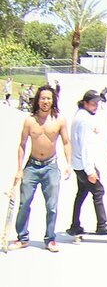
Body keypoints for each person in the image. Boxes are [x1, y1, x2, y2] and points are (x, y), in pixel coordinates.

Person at [10, 84, 72, 251]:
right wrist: (19, 168)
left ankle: (50, 239)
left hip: (51, 166)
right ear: (38, 100)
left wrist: (68, 164)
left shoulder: (60, 119)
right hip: (32, 165)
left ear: (53, 101)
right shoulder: (30, 121)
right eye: (42, 98)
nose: (45, 101)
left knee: (52, 205)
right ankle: (22, 237)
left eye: (48, 98)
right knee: (24, 203)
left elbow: (66, 142)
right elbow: (22, 145)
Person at [67, 90, 107, 237]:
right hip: (84, 165)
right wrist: (90, 171)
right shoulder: (84, 121)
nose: (95, 106)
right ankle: (102, 225)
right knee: (98, 191)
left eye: (97, 103)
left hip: (78, 164)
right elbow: (85, 146)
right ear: (85, 103)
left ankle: (75, 226)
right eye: (93, 103)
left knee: (81, 193)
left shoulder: (80, 115)